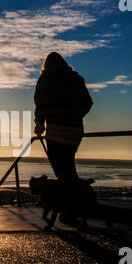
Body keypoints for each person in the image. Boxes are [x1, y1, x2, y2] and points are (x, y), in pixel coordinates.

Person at [34, 52, 93, 183]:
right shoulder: (76, 78)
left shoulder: (45, 79)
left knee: (61, 167)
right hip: (75, 129)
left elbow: (40, 104)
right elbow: (88, 103)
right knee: (68, 163)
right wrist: (76, 115)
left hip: (56, 130)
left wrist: (39, 123)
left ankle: (72, 196)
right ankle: (74, 193)